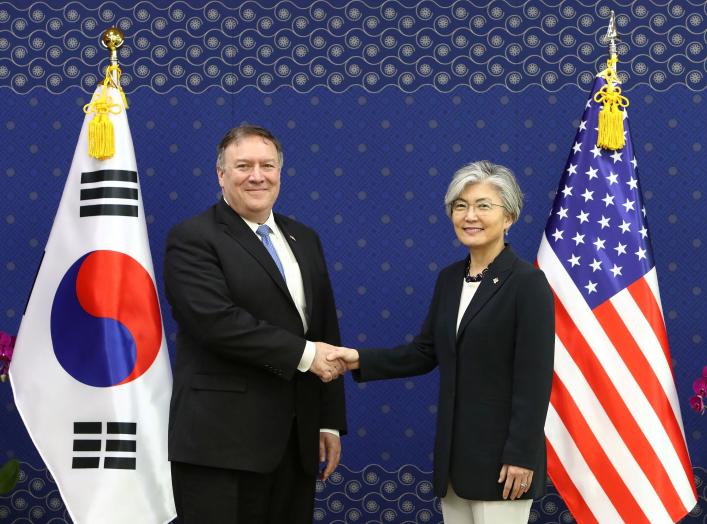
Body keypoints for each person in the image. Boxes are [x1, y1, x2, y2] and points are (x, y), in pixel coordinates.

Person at [329, 160, 555, 524]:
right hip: (454, 460)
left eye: (484, 205)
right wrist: (357, 359)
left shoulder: (527, 284)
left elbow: (535, 377)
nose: (470, 216)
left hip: (504, 463)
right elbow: (425, 352)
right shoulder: (449, 279)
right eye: (460, 206)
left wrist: (522, 454)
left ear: (509, 217)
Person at [164, 124, 347, 523]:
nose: (257, 175)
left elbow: (324, 331)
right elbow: (216, 323)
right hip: (221, 447)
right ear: (221, 175)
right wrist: (305, 355)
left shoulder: (305, 238)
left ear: (281, 172)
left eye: (267, 165)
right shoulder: (193, 238)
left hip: (295, 444)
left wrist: (328, 421)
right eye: (243, 165)